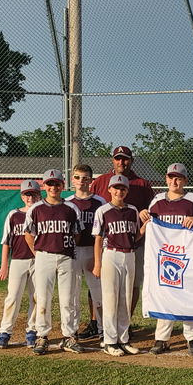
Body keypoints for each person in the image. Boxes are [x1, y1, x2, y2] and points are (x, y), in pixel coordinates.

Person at [140, 163, 193, 357]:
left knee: (189, 295)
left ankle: (192, 338)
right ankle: (162, 338)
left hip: (187, 255)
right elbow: (148, 225)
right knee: (164, 294)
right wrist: (143, 215)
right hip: (164, 256)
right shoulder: (158, 200)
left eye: (178, 178)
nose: (174, 181)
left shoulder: (192, 199)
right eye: (171, 177)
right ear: (166, 178)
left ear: (185, 181)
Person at [90, 146, 155, 334]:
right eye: (118, 158)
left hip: (134, 244)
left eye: (125, 159)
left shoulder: (142, 184)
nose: (121, 162)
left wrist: (145, 214)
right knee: (101, 285)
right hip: (107, 246)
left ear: (131, 161)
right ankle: (96, 323)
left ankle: (125, 325)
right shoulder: (101, 181)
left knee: (131, 285)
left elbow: (153, 208)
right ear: (113, 160)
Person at [23, 169, 84, 355]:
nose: (53, 187)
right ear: (44, 186)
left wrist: (67, 248)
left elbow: (77, 234)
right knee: (43, 298)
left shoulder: (71, 208)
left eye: (57, 184)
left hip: (66, 257)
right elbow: (28, 235)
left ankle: (68, 336)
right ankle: (42, 336)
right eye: (50, 184)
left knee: (68, 298)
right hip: (44, 256)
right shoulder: (35, 209)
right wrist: (38, 252)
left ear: (62, 185)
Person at [91, 174, 150, 357]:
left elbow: (134, 236)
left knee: (126, 298)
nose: (119, 191)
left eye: (122, 188)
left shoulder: (133, 210)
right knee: (110, 298)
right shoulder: (103, 210)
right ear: (109, 190)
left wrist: (143, 229)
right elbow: (98, 239)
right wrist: (97, 263)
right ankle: (109, 341)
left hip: (129, 255)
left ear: (127, 191)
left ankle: (123, 339)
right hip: (111, 255)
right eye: (116, 188)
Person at [0, 179, 41, 349]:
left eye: (34, 194)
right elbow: (6, 242)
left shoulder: (42, 213)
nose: (31, 198)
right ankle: (5, 332)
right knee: (13, 297)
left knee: (37, 297)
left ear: (40, 195)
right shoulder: (14, 215)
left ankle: (32, 331)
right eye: (27, 194)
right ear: (22, 196)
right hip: (18, 260)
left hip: (38, 261)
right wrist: (4, 265)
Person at [64, 164, 107, 346]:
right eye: (77, 177)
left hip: (92, 250)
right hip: (72, 250)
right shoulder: (67, 202)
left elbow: (105, 231)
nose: (81, 181)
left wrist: (97, 257)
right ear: (72, 179)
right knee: (72, 293)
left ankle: (103, 330)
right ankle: (71, 332)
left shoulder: (100, 202)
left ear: (91, 180)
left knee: (98, 293)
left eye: (85, 178)